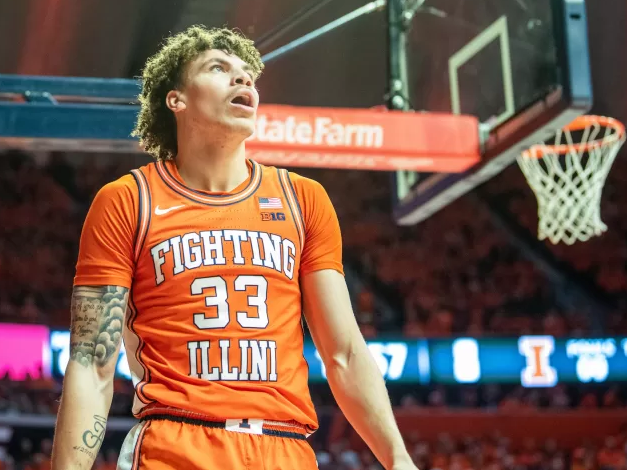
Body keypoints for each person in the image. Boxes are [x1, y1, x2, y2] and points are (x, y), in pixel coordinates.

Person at [53, 26, 418, 470]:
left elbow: (343, 353)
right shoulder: (129, 200)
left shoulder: (303, 199)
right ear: (177, 99)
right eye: (219, 68)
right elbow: (91, 364)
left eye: (248, 74)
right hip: (177, 443)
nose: (243, 80)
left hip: (286, 449)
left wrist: (397, 458)